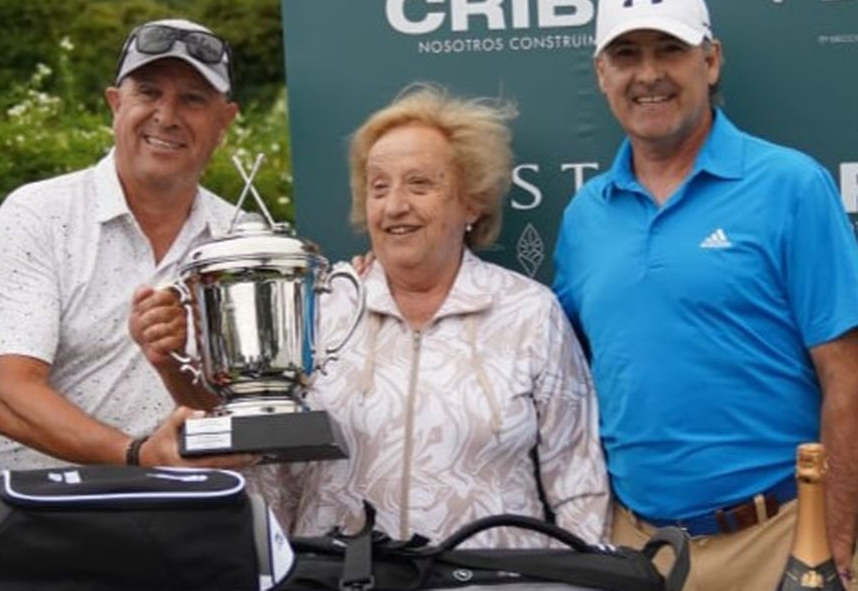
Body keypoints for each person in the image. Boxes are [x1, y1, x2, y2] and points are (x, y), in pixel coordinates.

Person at [134, 85, 611, 546]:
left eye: (420, 184)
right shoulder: (319, 306)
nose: (395, 205)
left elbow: (577, 478)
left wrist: (588, 577)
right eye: (378, 187)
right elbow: (269, 472)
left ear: (472, 201)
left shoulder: (528, 311)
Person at [553, 0, 858, 590]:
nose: (649, 74)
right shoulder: (585, 215)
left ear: (711, 60)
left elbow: (847, 374)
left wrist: (834, 544)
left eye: (671, 50)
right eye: (627, 54)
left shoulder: (790, 186)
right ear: (601, 74)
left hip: (776, 541)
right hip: (635, 548)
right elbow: (561, 376)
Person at [0, 18, 251, 505]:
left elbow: (240, 421)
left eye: (194, 100)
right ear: (116, 104)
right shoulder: (38, 215)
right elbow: (11, 400)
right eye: (149, 92)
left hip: (183, 515)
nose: (167, 115)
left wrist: (173, 367)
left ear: (225, 122)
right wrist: (137, 456)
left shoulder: (243, 240)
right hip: (34, 513)